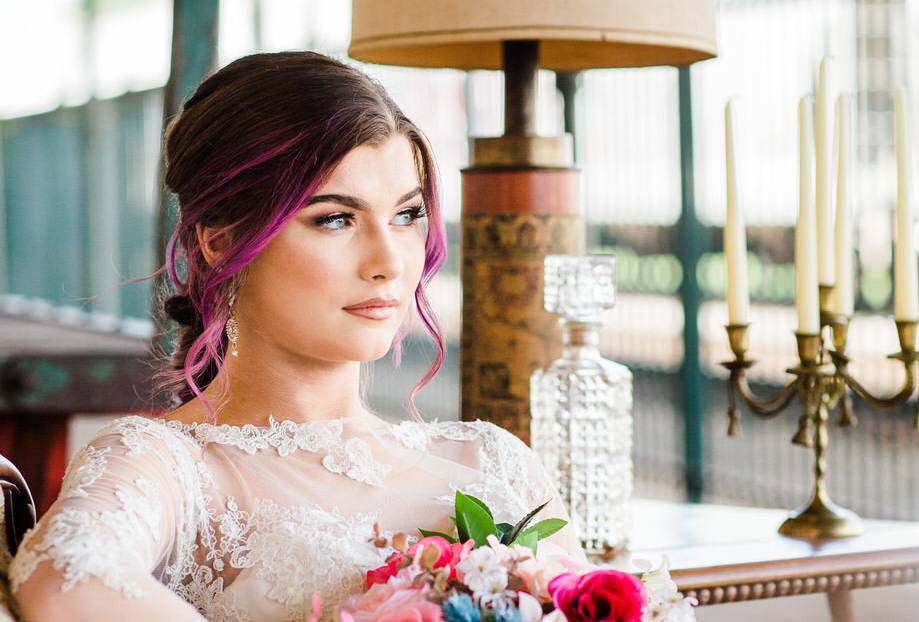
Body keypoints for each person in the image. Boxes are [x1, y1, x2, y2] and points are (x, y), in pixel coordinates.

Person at [8, 51, 585, 622]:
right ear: (222, 240)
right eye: (335, 218)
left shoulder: (491, 459)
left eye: (406, 215)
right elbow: (66, 581)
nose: (389, 261)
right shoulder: (163, 465)